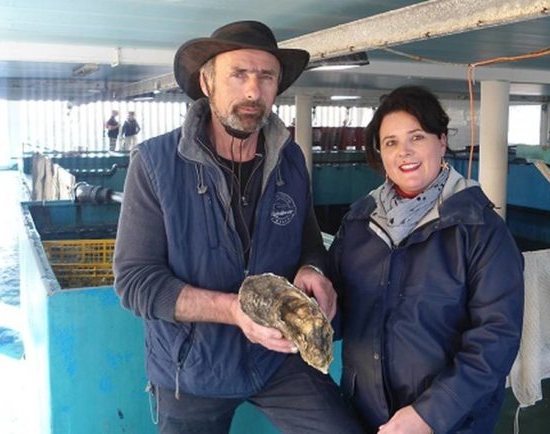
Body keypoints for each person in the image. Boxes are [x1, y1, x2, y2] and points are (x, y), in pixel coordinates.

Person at [113, 21, 364, 434]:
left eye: (266, 77)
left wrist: (313, 269)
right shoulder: (155, 163)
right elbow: (135, 282)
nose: (253, 91)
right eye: (239, 74)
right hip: (190, 368)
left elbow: (308, 241)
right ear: (207, 82)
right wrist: (234, 310)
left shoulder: (289, 159)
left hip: (278, 358)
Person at [330, 86, 525, 434]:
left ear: (442, 141)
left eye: (416, 137)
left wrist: (429, 415)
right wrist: (307, 315)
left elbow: (496, 336)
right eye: (390, 142)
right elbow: (339, 310)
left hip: (451, 421)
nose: (403, 152)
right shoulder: (359, 223)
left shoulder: (479, 229)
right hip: (366, 414)